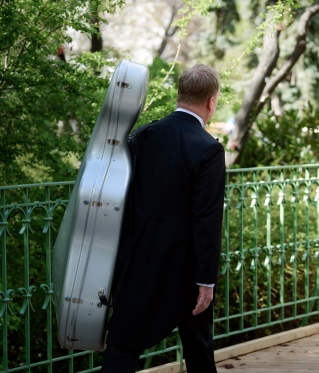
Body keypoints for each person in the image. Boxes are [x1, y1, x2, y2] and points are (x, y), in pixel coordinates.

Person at [101, 64, 225, 373]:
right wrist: (205, 281)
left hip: (138, 262)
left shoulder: (143, 136)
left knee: (124, 345)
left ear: (180, 95)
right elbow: (206, 219)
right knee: (198, 348)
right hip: (185, 271)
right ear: (211, 102)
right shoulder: (208, 149)